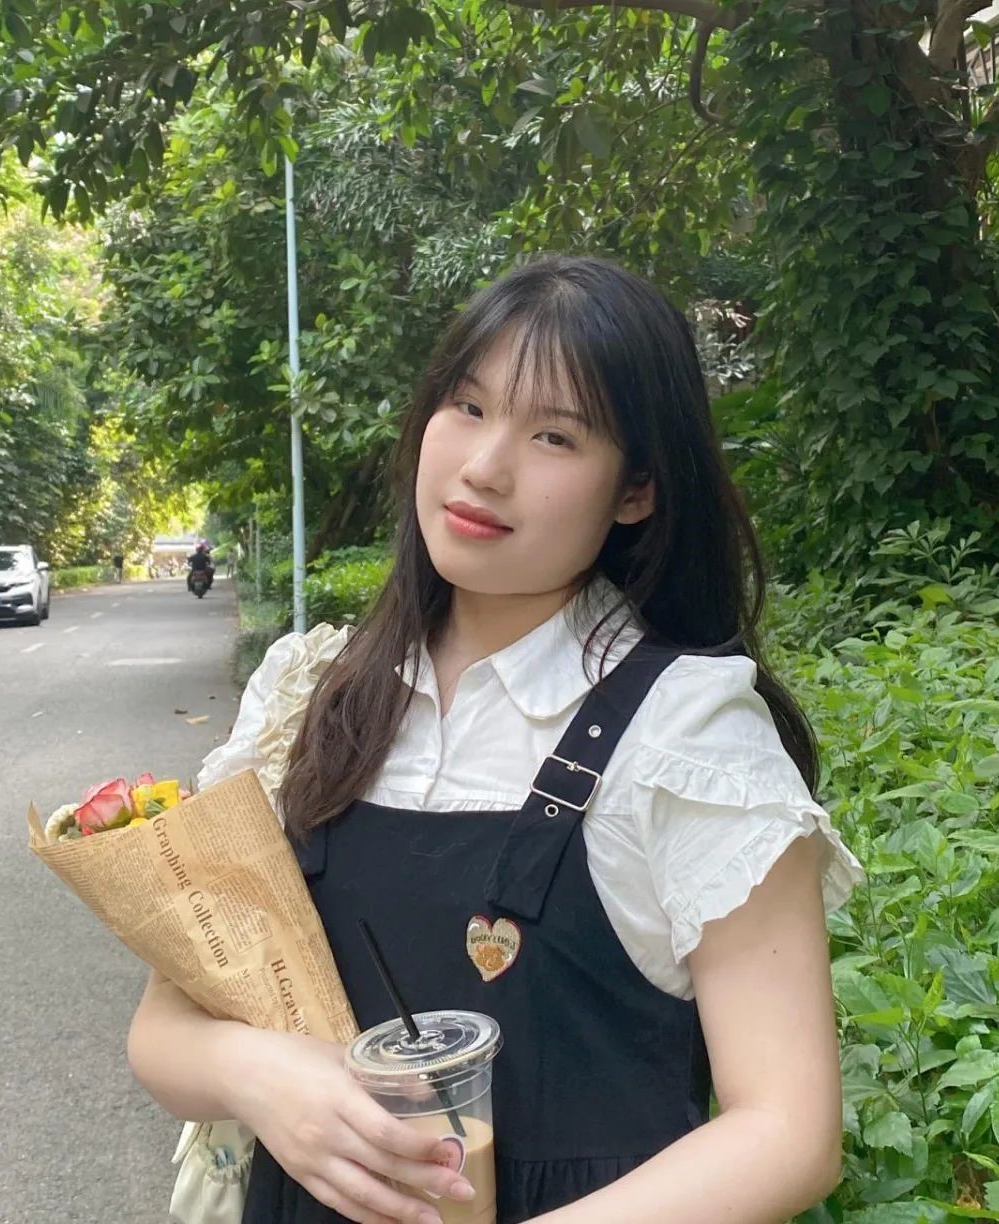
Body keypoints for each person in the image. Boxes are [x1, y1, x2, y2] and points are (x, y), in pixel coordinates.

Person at [127, 254, 865, 1224]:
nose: (484, 466)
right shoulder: (311, 697)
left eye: (555, 435)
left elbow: (790, 1131)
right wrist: (259, 1075)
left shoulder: (686, 734)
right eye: (468, 407)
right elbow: (163, 1026)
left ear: (637, 489)